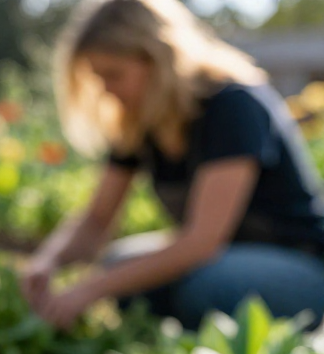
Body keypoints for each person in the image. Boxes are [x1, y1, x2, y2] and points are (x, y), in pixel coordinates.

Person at [21, 0, 324, 330]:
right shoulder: (144, 121)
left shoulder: (232, 105)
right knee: (118, 265)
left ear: (157, 60)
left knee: (207, 287)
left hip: (300, 264)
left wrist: (89, 290)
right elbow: (97, 218)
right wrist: (47, 260)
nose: (106, 89)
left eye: (114, 75)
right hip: (225, 258)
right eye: (98, 77)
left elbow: (200, 242)